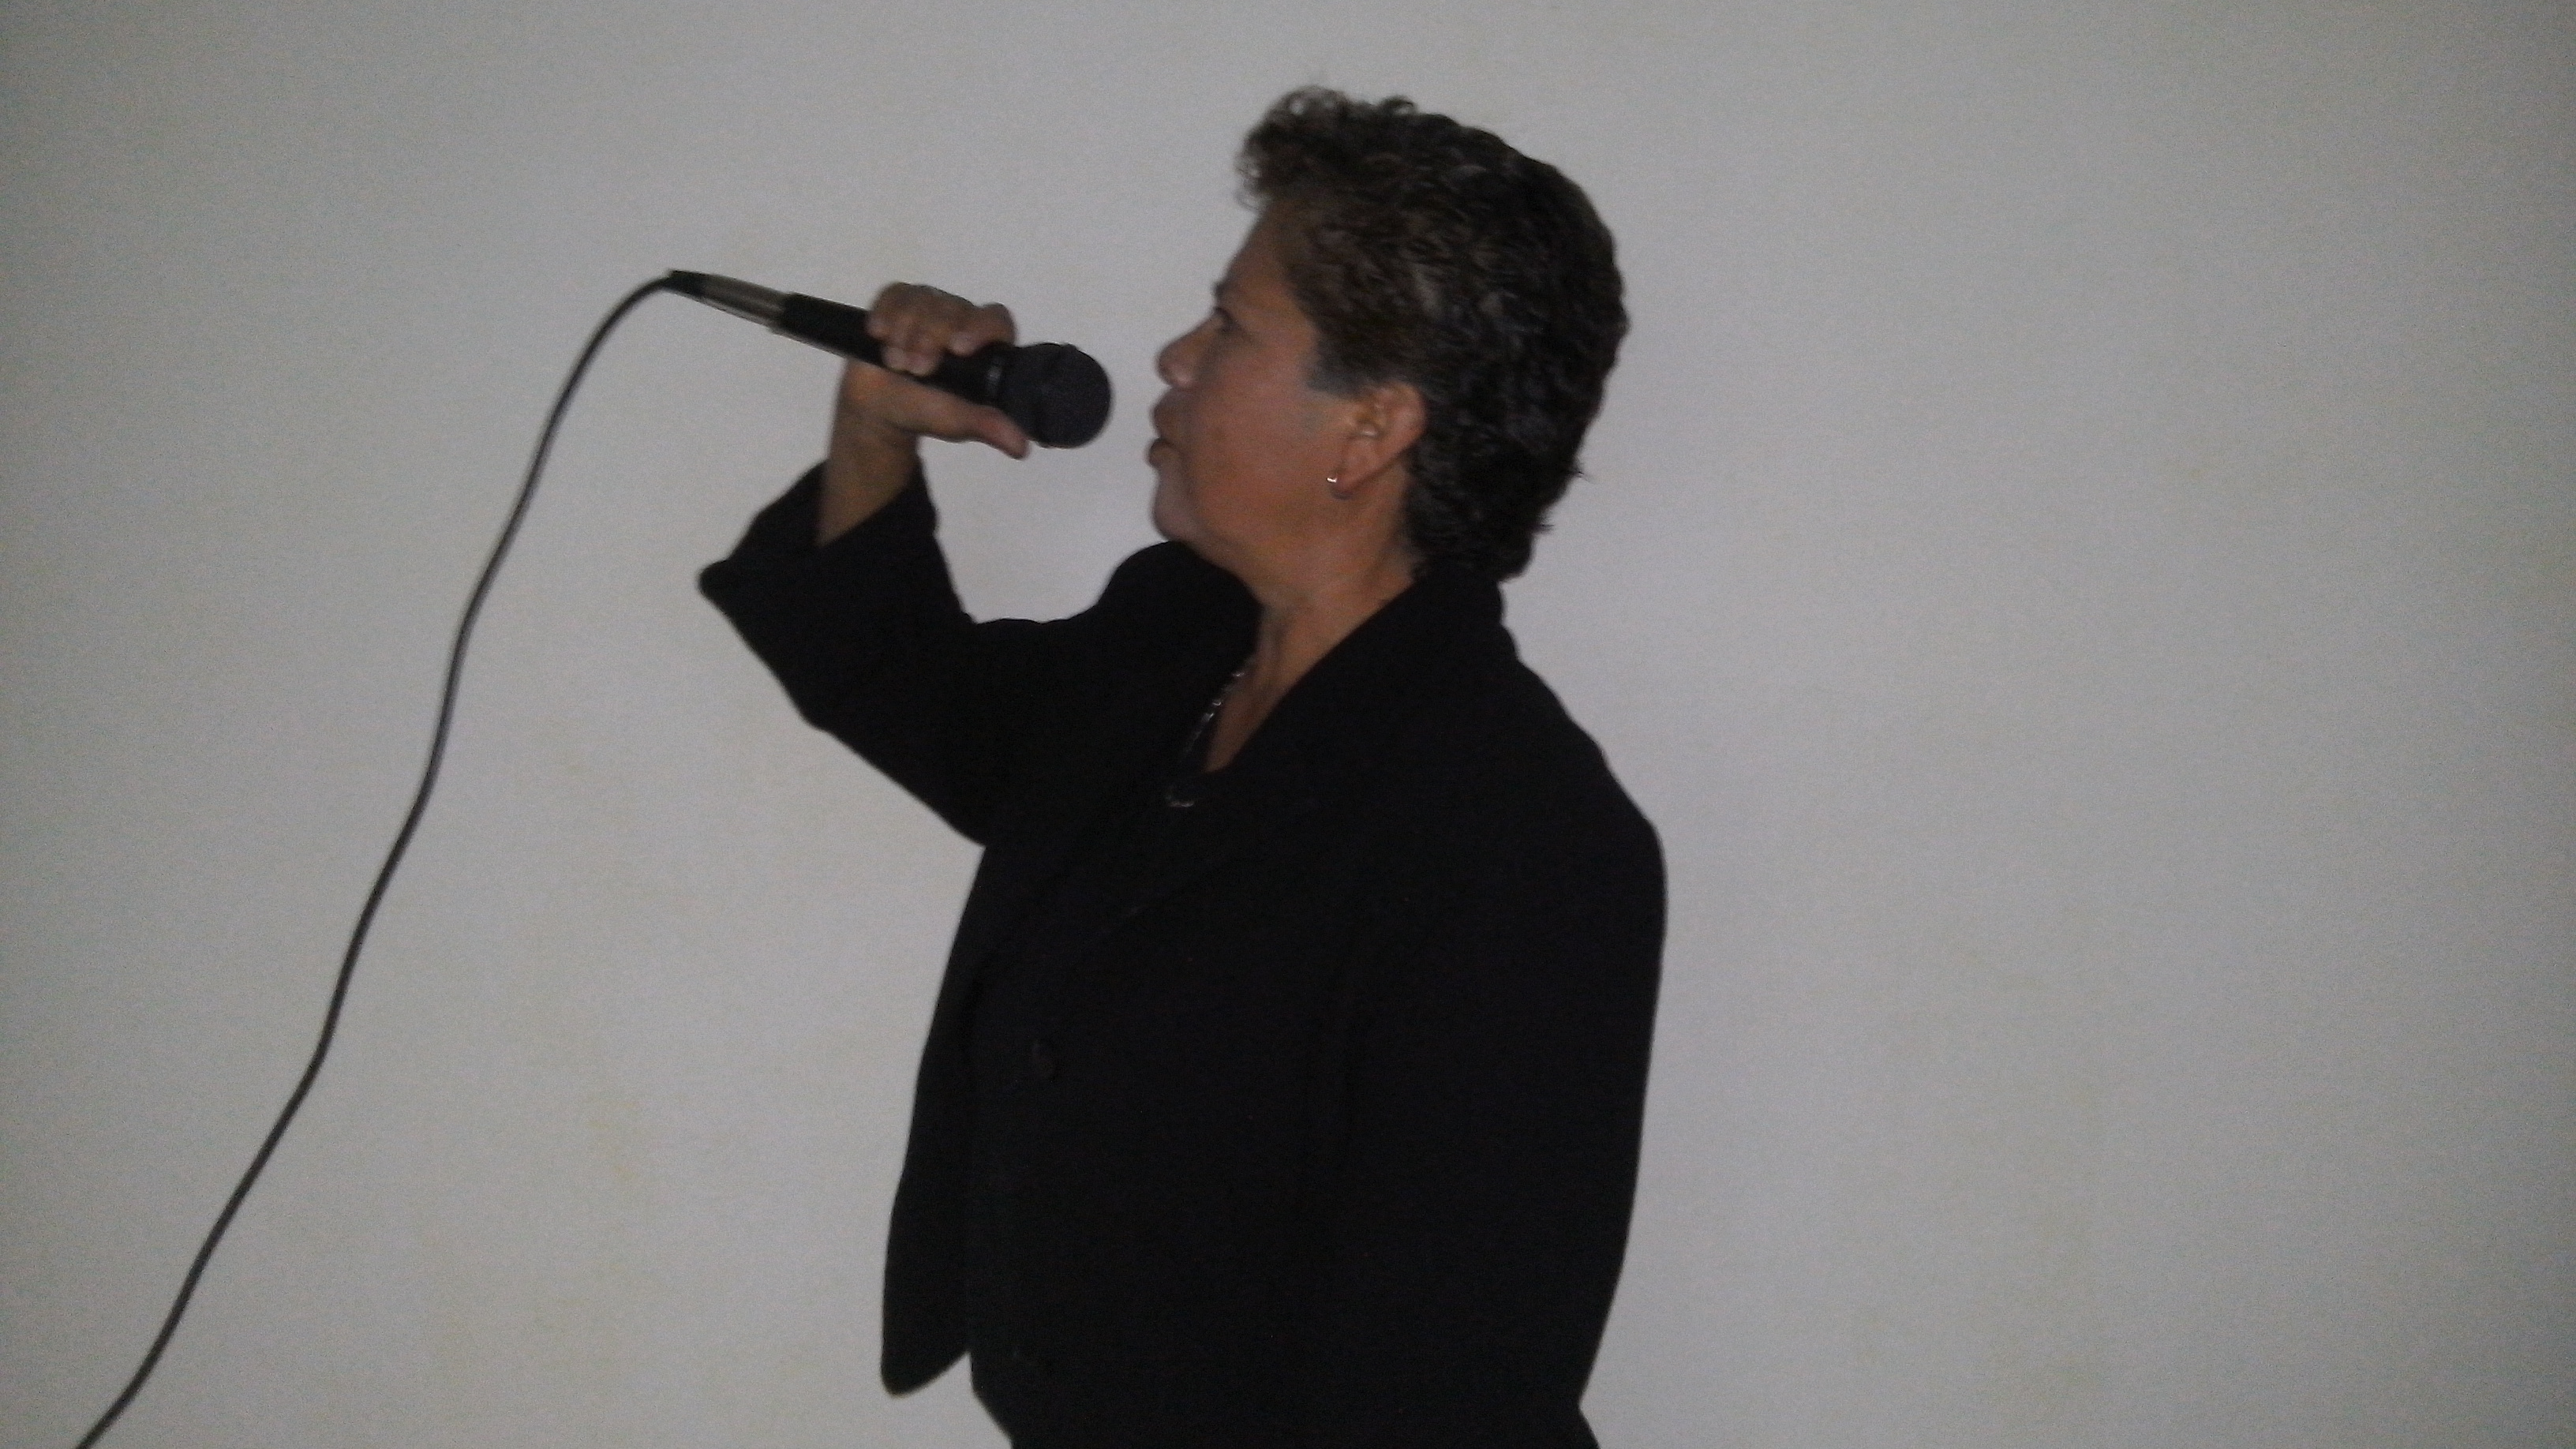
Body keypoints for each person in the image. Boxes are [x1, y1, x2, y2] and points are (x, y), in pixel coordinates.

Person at [701, 88, 1662, 1449]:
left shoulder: (1522, 843)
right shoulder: (1175, 640)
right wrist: (875, 424)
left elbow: (1442, 1383)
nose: (1174, 356)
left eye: (1230, 326)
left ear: (1372, 429)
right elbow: (905, 689)